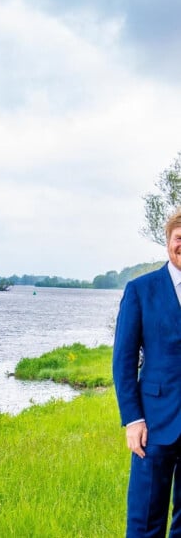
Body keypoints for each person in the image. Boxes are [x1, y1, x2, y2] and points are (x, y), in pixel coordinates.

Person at [113, 208, 181, 537]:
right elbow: (123, 361)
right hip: (154, 424)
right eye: (179, 238)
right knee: (145, 520)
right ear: (168, 242)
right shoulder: (141, 290)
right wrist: (133, 419)